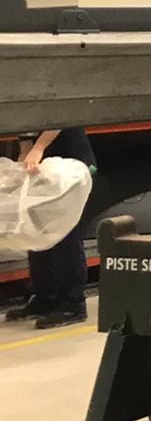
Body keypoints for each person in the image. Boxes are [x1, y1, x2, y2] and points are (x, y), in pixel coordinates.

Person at [4, 127, 95, 329]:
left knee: (66, 234)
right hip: (44, 164)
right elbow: (27, 126)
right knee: (38, 233)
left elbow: (59, 118)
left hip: (72, 163)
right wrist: (25, 151)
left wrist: (38, 148)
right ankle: (45, 297)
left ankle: (72, 303)